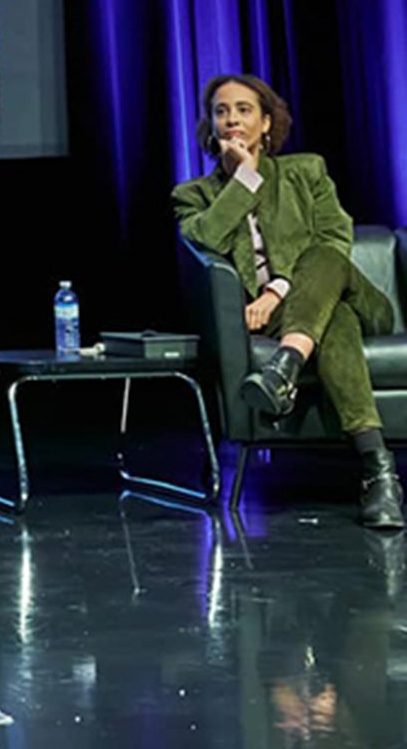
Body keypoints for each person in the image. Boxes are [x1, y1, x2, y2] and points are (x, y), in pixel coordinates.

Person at [171, 73, 403, 527]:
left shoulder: (306, 171)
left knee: (323, 257)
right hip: (304, 322)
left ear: (266, 123)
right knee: (333, 324)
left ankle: (283, 368)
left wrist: (276, 290)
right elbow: (208, 238)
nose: (232, 119)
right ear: (210, 126)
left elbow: (337, 242)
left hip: (363, 303)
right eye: (221, 111)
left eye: (243, 110)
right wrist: (245, 182)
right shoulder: (193, 196)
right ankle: (379, 473)